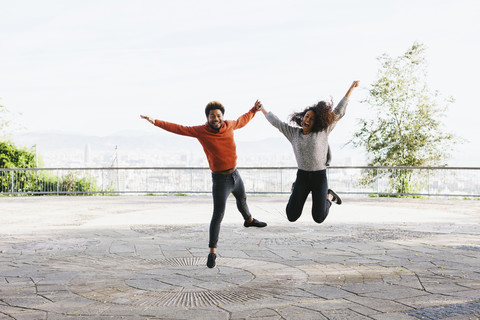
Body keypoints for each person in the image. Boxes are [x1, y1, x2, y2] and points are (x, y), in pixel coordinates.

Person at [140, 100, 267, 268]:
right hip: (221, 180)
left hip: (235, 175)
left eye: (218, 115)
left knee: (242, 199)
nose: (216, 118)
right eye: (212, 116)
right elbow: (179, 129)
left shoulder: (229, 125)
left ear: (222, 117)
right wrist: (155, 122)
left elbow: (243, 120)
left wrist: (254, 109)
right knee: (218, 215)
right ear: (207, 118)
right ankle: (212, 252)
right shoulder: (201, 131)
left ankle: (249, 220)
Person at [258, 81, 359, 223]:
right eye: (306, 116)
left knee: (318, 218)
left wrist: (351, 89)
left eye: (311, 119)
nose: (308, 120)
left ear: (315, 122)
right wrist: (262, 109)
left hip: (319, 177)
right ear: (302, 118)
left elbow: (338, 112)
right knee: (291, 216)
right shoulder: (293, 133)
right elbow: (277, 123)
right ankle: (295, 189)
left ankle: (329, 196)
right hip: (303, 177)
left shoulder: (323, 131)